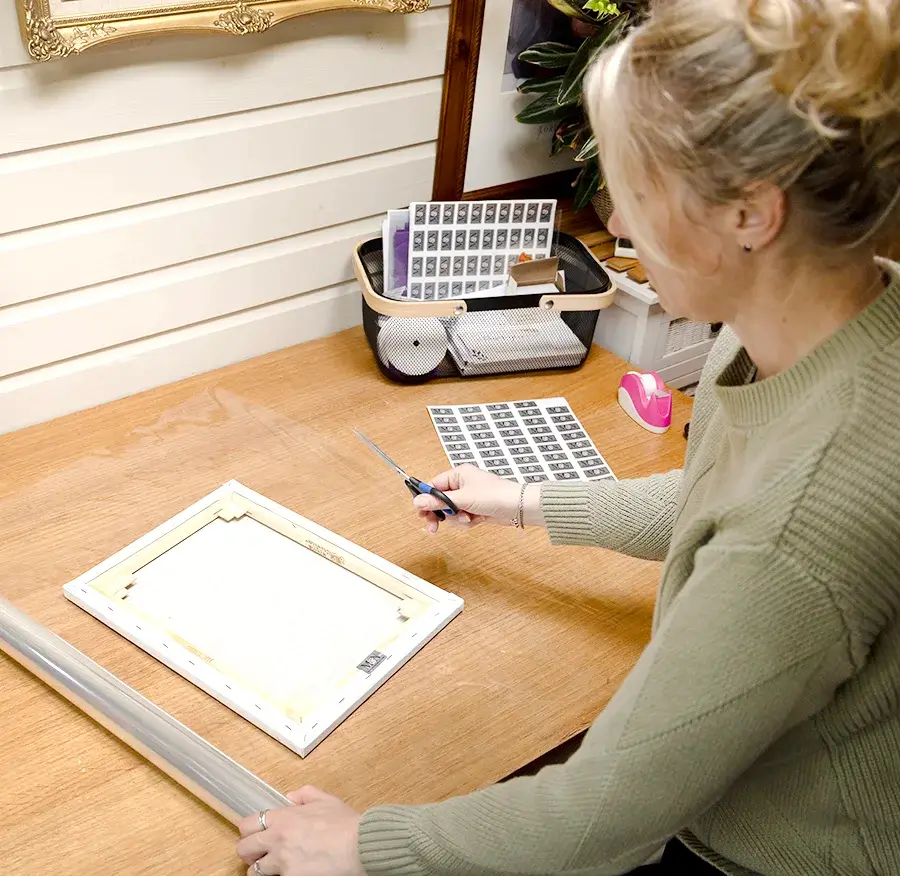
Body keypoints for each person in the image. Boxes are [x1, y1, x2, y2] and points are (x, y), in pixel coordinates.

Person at [235, 0, 900, 873]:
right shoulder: (812, 320)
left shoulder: (806, 516)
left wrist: (364, 844)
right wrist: (523, 501)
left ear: (751, 214)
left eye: (635, 189)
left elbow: (597, 818)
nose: (616, 224)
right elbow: (717, 496)